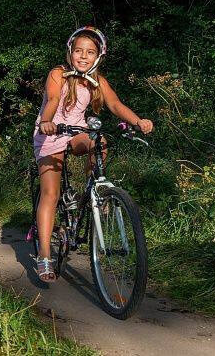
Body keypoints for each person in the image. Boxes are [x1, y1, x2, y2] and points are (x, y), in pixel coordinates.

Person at [33, 27, 154, 282]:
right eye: (78, 51)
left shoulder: (97, 80)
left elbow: (115, 104)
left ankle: (93, 192)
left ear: (98, 56)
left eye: (90, 52)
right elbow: (53, 100)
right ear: (70, 52)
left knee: (99, 141)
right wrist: (46, 121)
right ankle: (44, 255)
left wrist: (138, 121)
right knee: (51, 193)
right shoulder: (58, 74)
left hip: (77, 131)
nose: (83, 56)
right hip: (51, 132)